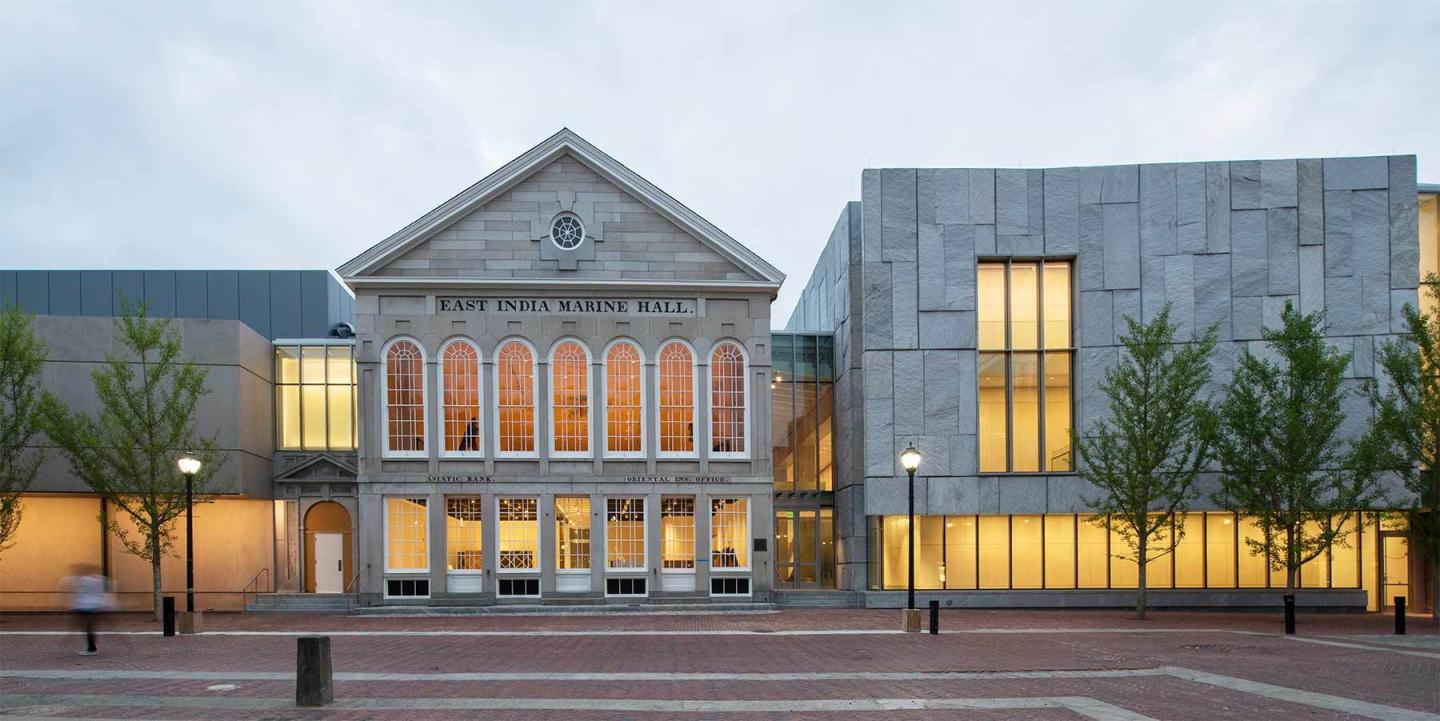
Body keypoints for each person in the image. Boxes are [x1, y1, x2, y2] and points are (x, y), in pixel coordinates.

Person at [64, 564, 112, 656]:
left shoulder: (84, 580)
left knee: (87, 626)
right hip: (96, 605)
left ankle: (91, 647)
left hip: (86, 606)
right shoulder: (99, 579)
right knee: (90, 626)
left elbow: (77, 589)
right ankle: (90, 645)